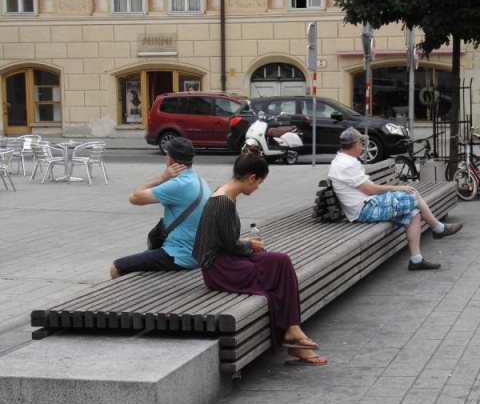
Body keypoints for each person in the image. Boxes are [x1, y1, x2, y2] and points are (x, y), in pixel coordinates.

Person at [193, 148, 328, 366]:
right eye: (259, 182)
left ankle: (293, 329)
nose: (258, 187)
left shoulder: (226, 194)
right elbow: (231, 245)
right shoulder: (223, 201)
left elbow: (228, 241)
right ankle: (294, 340)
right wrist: (251, 245)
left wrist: (248, 245)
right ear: (251, 178)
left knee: (281, 261)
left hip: (226, 260)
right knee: (272, 279)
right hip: (218, 268)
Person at [328, 127, 463, 270]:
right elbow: (370, 190)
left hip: (368, 204)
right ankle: (439, 228)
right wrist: (397, 188)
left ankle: (416, 260)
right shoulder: (346, 165)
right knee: (412, 194)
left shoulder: (345, 160)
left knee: (414, 215)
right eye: (362, 143)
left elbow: (369, 189)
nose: (363, 147)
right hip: (365, 209)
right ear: (356, 145)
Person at [110, 137, 211, 278]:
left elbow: (134, 197)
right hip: (198, 252)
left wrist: (161, 178)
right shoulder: (199, 181)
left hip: (180, 255)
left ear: (169, 160)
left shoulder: (178, 184)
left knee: (116, 267)